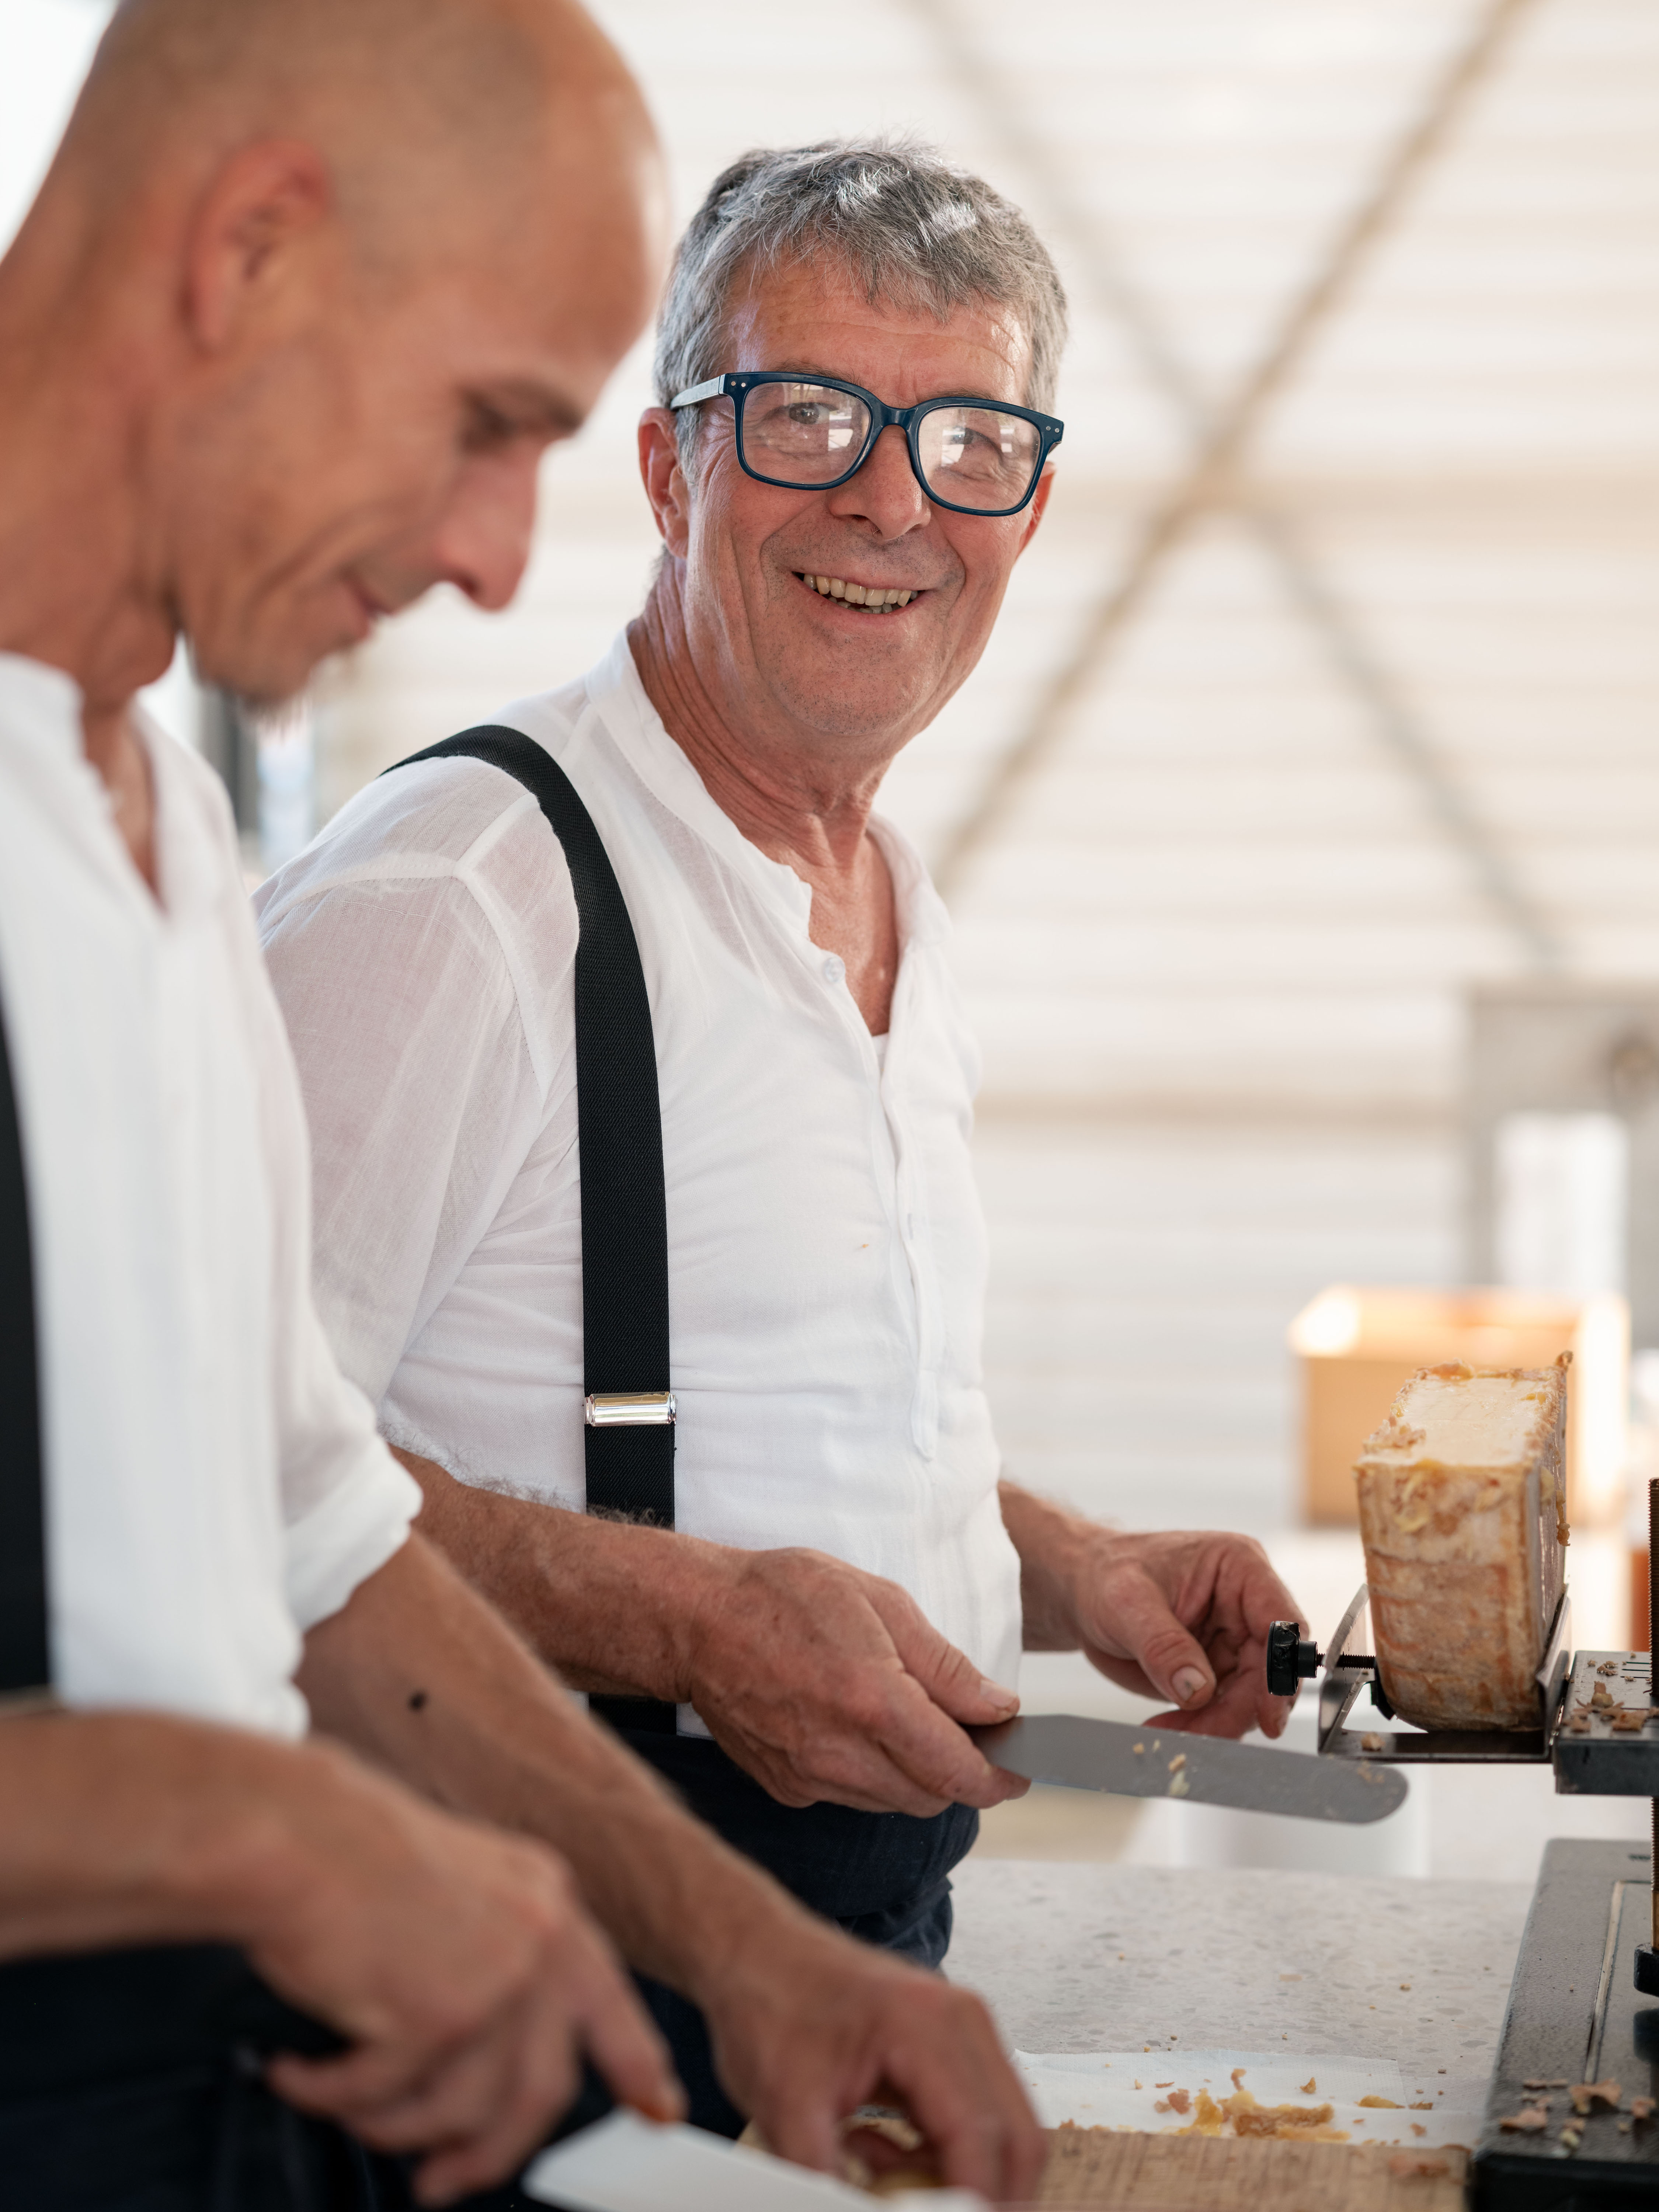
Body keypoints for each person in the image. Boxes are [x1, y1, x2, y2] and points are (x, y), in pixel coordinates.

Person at [0, 11, 1042, 2205]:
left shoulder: (150, 833)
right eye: (487, 424)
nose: (494, 560)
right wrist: (266, 1836)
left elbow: (310, 1524)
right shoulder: (440, 880)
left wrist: (744, 1953)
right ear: (250, 249)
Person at [257, 139, 1306, 2137]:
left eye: (967, 439)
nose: (890, 501)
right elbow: (206, 1475)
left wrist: (1062, 1565)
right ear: (673, 468)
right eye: (810, 414)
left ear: (1029, 507)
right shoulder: (461, 895)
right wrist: (684, 1623)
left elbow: (780, 1406)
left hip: (851, 1963)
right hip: (509, 2012)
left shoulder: (894, 893)